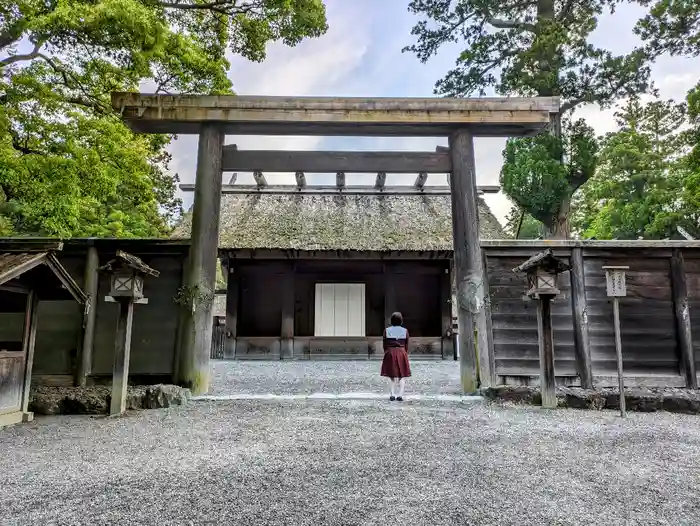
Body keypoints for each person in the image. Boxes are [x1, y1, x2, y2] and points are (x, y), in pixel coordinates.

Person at [380, 311, 412, 401]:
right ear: (401, 320)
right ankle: (400, 395)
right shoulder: (405, 331)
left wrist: (387, 352)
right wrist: (404, 352)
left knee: (391, 376)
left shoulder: (386, 330)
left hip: (390, 352)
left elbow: (384, 344)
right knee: (402, 375)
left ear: (392, 320)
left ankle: (392, 395)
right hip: (401, 352)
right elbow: (406, 344)